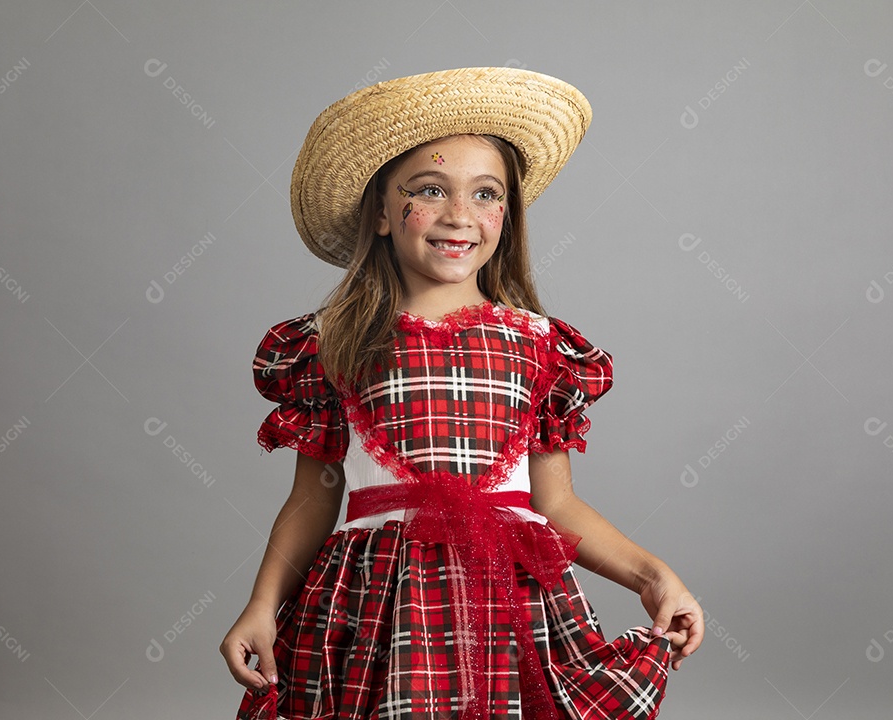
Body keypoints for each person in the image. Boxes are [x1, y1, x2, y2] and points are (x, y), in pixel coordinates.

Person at [220, 67, 704, 720]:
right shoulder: (334, 342)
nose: (459, 216)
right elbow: (313, 499)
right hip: (378, 611)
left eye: (485, 193)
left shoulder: (540, 345)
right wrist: (260, 604)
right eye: (429, 190)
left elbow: (556, 504)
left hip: (509, 604)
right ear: (384, 212)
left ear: (509, 212)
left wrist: (653, 576)